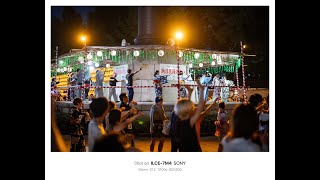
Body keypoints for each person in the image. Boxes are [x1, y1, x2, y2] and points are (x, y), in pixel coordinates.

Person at [174, 79, 205, 152]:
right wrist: (201, 90)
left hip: (183, 149)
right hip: (192, 149)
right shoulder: (190, 121)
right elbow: (200, 106)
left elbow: (185, 106)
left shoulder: (178, 120)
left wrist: (190, 92)